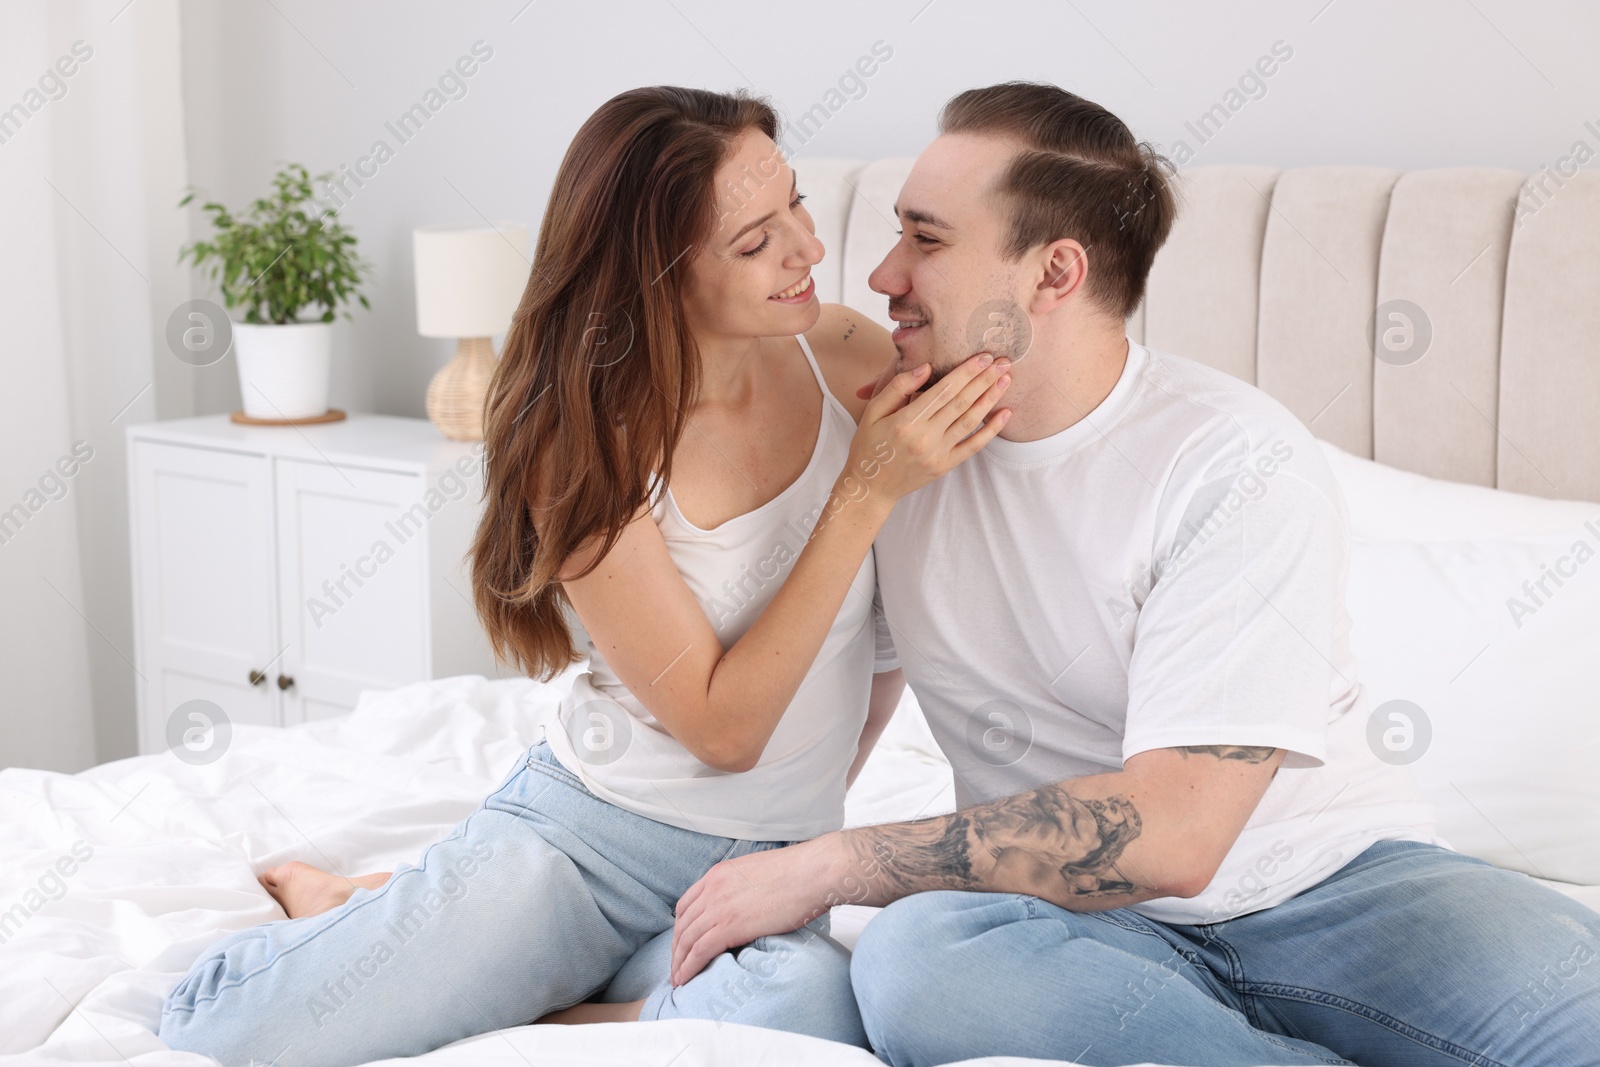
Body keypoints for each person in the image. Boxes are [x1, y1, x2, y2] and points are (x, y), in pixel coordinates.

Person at [668, 81, 1600, 1067]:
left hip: (1334, 889)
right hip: (1067, 926)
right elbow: (835, 714)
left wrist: (834, 865)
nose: (884, 271)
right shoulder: (898, 457)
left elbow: (1175, 832)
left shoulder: (1232, 459)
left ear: (1052, 272)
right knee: (916, 959)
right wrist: (701, 892)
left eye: (926, 238)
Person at [157, 85, 1011, 1067]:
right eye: (753, 241)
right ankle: (368, 918)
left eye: (797, 206)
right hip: (589, 847)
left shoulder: (845, 355)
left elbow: (880, 641)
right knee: (222, 1023)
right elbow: (724, 730)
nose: (808, 251)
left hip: (768, 864)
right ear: (657, 275)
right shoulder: (588, 442)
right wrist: (859, 492)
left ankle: (478, 967)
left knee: (805, 1005)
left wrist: (798, 824)